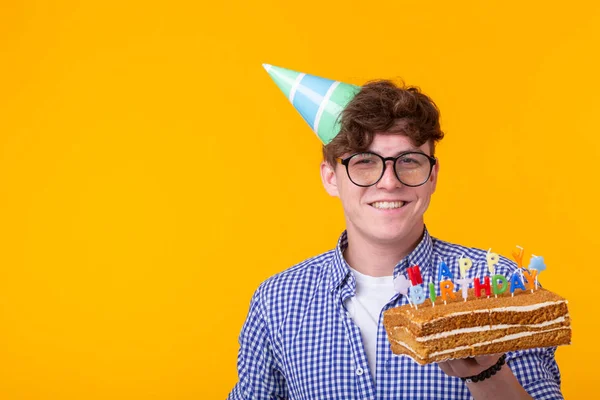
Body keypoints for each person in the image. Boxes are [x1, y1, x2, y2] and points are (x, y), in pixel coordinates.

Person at [228, 66, 563, 399]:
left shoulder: (499, 286)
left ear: (432, 176)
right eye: (364, 162)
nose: (389, 182)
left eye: (409, 161)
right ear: (331, 177)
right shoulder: (278, 301)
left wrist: (486, 373)